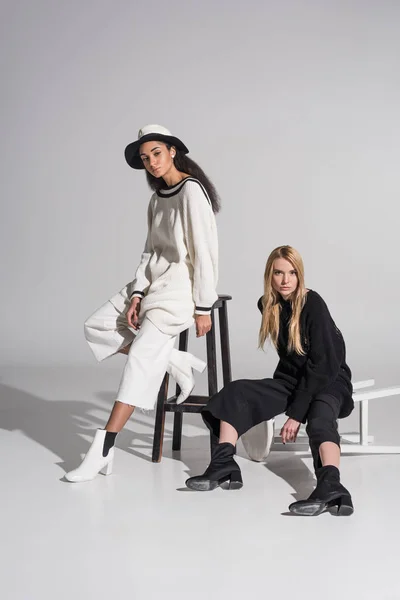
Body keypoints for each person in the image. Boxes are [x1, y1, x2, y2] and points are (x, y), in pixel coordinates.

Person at [65, 124, 219, 482]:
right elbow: (149, 251)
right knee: (98, 325)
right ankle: (173, 361)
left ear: (172, 151)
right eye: (145, 158)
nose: (151, 162)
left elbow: (206, 252)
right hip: (152, 284)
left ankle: (103, 447)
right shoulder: (156, 199)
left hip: (179, 289)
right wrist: (136, 292)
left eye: (157, 153)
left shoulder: (192, 193)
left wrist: (203, 306)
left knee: (137, 363)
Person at [186, 245, 355, 517]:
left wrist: (297, 414)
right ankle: (223, 463)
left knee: (320, 416)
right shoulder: (267, 305)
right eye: (279, 273)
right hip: (291, 381)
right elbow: (291, 360)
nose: (285, 280)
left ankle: (332, 485)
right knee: (236, 392)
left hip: (329, 379)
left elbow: (324, 364)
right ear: (270, 275)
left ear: (300, 276)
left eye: (292, 273)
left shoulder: (313, 304)